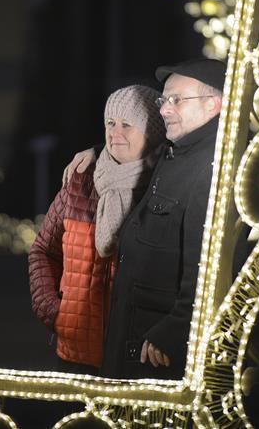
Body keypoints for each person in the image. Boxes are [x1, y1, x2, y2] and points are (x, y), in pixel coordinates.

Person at [62, 58, 224, 378]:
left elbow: (209, 265)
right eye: (165, 100)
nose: (164, 109)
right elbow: (137, 147)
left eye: (177, 100)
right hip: (134, 326)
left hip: (158, 342)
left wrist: (176, 329)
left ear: (212, 105)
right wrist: (100, 151)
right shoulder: (178, 150)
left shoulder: (212, 168)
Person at [28, 85, 165, 370]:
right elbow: (43, 250)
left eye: (127, 125)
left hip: (137, 356)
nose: (115, 133)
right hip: (76, 351)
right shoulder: (81, 178)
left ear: (152, 132)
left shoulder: (164, 185)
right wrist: (54, 311)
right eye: (110, 123)